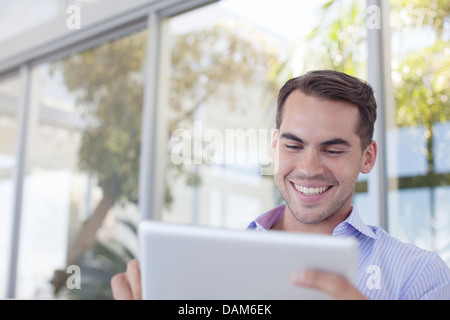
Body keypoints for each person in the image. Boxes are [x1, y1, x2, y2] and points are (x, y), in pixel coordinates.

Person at [111, 70, 450, 300]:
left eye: (332, 149)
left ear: (367, 156)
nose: (308, 168)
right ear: (274, 146)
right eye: (293, 145)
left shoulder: (419, 276)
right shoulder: (216, 264)